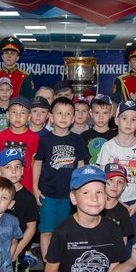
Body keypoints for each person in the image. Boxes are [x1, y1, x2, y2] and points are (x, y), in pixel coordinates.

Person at [33, 97, 89, 260]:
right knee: (47, 231)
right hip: (47, 194)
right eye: (59, 113)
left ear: (73, 118)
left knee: (65, 232)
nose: (64, 117)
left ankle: (62, 264)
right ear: (51, 117)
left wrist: (80, 190)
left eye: (68, 114)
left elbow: (81, 165)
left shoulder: (77, 140)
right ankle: (47, 266)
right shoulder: (45, 140)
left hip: (69, 195)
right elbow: (37, 163)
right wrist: (35, 188)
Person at [97, 101, 136, 245]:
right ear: (116, 120)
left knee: (131, 239)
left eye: (133, 119)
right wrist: (117, 201)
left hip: (133, 202)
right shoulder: (108, 146)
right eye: (124, 118)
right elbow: (102, 177)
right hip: (111, 201)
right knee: (108, 237)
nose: (128, 123)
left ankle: (129, 261)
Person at [0, 149, 39, 272]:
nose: (13, 171)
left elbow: (31, 228)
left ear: (22, 171)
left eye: (17, 167)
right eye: (8, 167)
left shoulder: (28, 198)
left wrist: (16, 252)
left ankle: (25, 262)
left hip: (17, 245)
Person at [0, 96, 38, 192]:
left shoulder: (34, 138)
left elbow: (34, 165)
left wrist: (35, 186)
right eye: (14, 112)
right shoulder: (1, 135)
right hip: (5, 185)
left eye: (23, 113)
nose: (18, 116)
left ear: (29, 117)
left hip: (26, 185)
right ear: (8, 115)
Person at [0, 36, 34, 102]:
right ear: (2, 56)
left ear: (17, 58)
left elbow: (29, 100)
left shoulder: (26, 76)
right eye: (6, 53)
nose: (9, 56)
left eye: (12, 54)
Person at [103, 163, 134, 246]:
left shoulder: (123, 213)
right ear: (103, 181)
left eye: (120, 182)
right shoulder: (93, 208)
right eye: (111, 180)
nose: (115, 185)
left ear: (124, 187)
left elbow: (124, 242)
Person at [81, 94, 116, 165]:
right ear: (91, 113)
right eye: (97, 112)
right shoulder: (83, 136)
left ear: (111, 114)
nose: (101, 117)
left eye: (105, 113)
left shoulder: (116, 136)